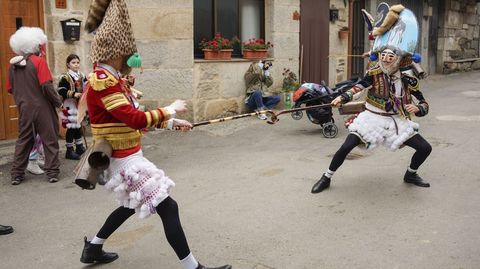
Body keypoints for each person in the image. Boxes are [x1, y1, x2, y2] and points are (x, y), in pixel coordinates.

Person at [80, 1, 232, 268]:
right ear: (117, 51)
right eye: (128, 52)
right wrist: (169, 109)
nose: (131, 58)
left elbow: (133, 119)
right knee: (168, 206)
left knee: (130, 205)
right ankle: (193, 268)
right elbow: (134, 118)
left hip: (129, 155)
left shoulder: (112, 79)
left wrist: (172, 122)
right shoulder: (103, 81)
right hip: (123, 160)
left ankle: (93, 248)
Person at [311, 6, 432, 194]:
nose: (385, 60)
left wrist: (418, 108)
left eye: (390, 57)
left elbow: (424, 103)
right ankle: (326, 177)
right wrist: (342, 97)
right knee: (346, 146)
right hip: (372, 118)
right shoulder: (374, 73)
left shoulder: (408, 79)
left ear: (399, 60)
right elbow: (358, 87)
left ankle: (411, 173)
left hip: (396, 121)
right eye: (383, 56)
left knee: (425, 148)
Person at [7, 27, 62, 185]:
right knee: (50, 140)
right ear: (35, 45)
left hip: (24, 108)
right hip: (42, 107)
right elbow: (47, 86)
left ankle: (16, 174)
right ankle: (52, 172)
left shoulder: (12, 66)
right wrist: (58, 102)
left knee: (23, 140)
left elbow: (10, 89)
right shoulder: (39, 62)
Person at [58, 54, 87, 160]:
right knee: (71, 126)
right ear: (68, 65)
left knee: (78, 124)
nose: (76, 65)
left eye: (77, 62)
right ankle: (69, 150)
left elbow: (86, 86)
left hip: (79, 103)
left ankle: (79, 146)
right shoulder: (65, 77)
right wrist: (73, 94)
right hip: (70, 104)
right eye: (73, 63)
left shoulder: (82, 75)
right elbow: (61, 90)